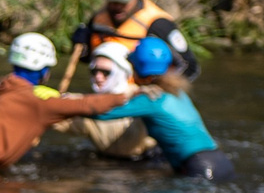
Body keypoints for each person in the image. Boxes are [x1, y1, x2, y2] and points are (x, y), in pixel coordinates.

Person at [0, 31, 130, 181]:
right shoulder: (39, 103)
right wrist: (127, 95)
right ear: (44, 70)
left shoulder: (1, 87)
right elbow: (89, 106)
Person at [85, 30, 232, 180]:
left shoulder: (151, 98)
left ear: (137, 68)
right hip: (219, 161)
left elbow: (101, 114)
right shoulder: (176, 91)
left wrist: (67, 104)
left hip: (199, 166)